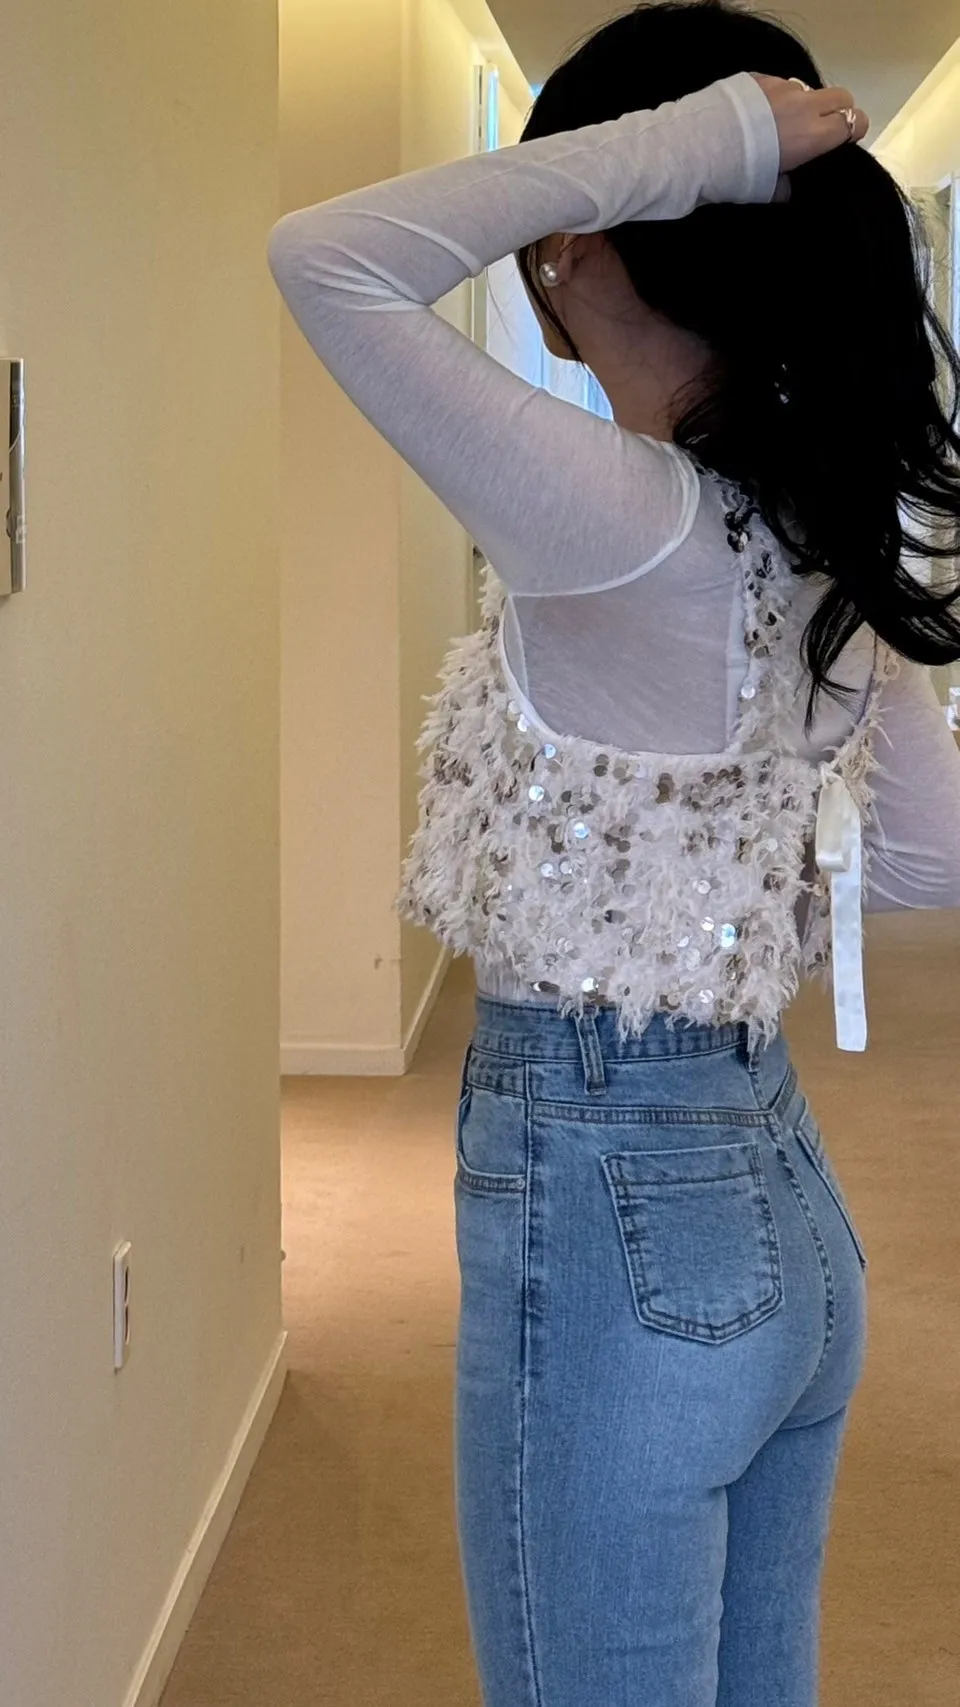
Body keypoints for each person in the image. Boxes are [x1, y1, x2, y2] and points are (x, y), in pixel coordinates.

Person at [268, 3, 960, 1702]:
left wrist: (695, 142)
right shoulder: (816, 528)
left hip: (614, 1208)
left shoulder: (615, 518)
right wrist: (721, 841)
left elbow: (327, 259)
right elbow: (930, 863)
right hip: (782, 1202)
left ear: (595, 229)